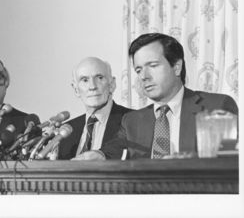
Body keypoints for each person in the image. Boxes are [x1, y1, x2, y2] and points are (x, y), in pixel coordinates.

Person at [100, 33, 238, 159]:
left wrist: (186, 164)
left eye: (153, 66)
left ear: (177, 67)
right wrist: (98, 154)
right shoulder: (132, 121)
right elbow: (111, 151)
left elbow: (230, 163)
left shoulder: (216, 106)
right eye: (138, 70)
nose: (143, 76)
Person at [58, 57, 132, 160]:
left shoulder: (133, 121)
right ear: (76, 90)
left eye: (100, 78)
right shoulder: (66, 130)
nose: (92, 86)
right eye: (85, 80)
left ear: (112, 84)